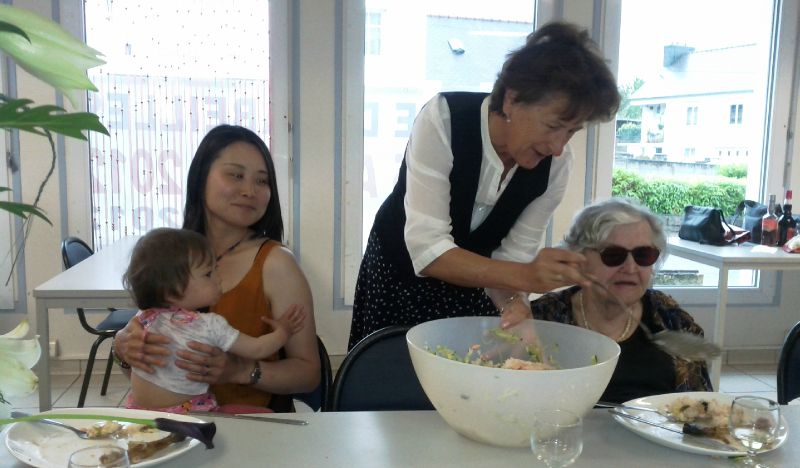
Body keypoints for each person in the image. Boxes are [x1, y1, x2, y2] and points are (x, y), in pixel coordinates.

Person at [348, 22, 620, 349]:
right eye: (553, 126)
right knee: (387, 367)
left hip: (476, 284)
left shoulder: (557, 167)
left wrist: (515, 305)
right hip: (398, 276)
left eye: (572, 132)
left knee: (464, 362)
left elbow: (513, 257)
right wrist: (526, 276)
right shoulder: (444, 119)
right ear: (511, 100)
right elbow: (428, 250)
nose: (558, 146)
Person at [114, 125, 320, 412]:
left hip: (252, 426)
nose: (249, 191)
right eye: (236, 175)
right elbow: (153, 375)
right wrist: (124, 350)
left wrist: (239, 370)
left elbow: (309, 375)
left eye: (262, 181)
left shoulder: (276, 263)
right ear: (201, 178)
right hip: (174, 425)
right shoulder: (171, 256)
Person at [530, 197, 712, 403]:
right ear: (579, 259)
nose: (630, 268)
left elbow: (701, 407)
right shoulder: (542, 319)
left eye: (643, 255)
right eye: (613, 255)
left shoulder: (673, 320)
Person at [122, 228, 306, 413]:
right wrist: (283, 332)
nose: (218, 278)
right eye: (208, 274)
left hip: (140, 414)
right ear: (172, 289)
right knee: (265, 415)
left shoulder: (144, 318)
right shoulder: (209, 325)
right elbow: (258, 349)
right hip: (191, 414)